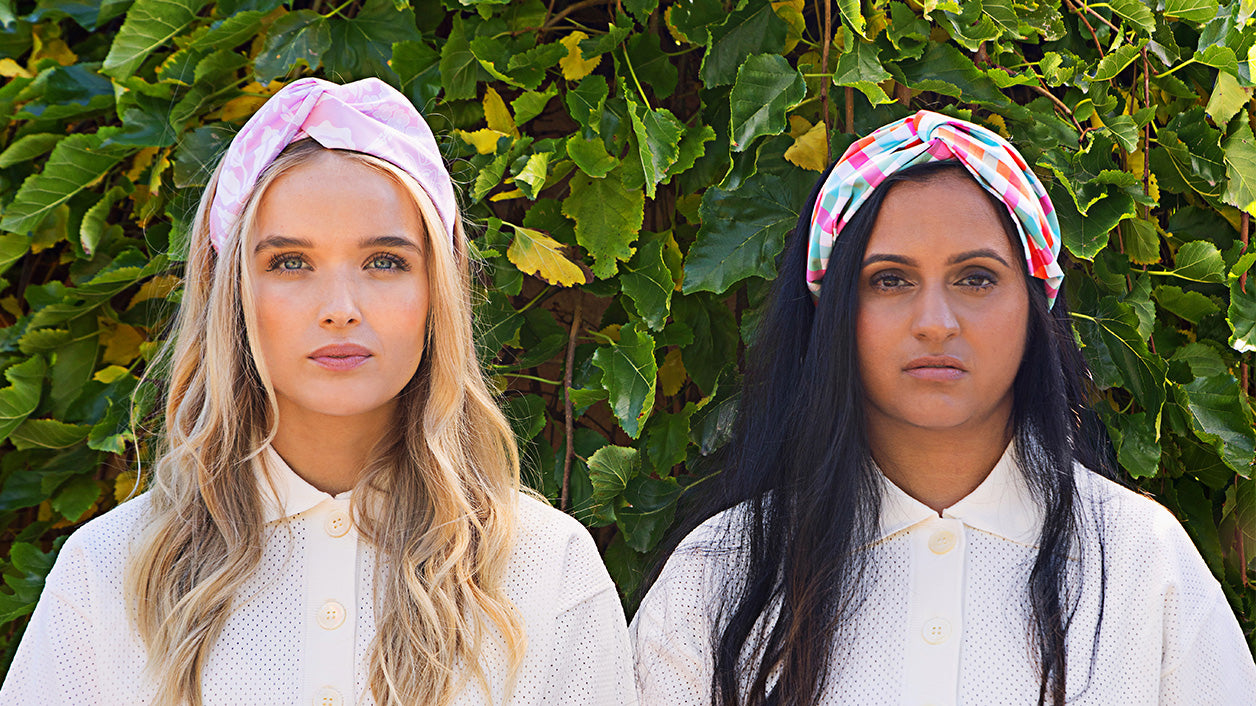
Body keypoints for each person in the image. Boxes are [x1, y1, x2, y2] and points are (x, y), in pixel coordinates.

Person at [1, 77, 636, 706]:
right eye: (290, 262)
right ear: (232, 295)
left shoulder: (546, 567)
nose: (339, 308)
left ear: (437, 293)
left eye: (384, 261)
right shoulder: (110, 570)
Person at [630, 111, 1256, 705]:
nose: (935, 322)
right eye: (890, 280)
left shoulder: (1141, 563)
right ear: (834, 309)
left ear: (1036, 303)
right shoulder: (720, 575)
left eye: (976, 278)